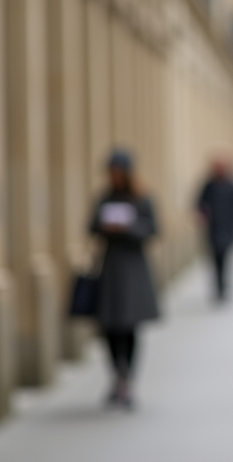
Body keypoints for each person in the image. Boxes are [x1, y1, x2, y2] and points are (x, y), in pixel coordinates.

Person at [89, 149, 160, 408]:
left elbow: (153, 229)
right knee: (109, 327)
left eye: (119, 173)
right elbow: (90, 227)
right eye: (112, 173)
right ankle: (116, 378)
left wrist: (128, 228)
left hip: (133, 271)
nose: (115, 177)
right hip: (110, 270)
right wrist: (104, 225)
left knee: (129, 327)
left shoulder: (142, 198)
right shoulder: (105, 197)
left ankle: (127, 380)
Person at [196, 157, 233, 301]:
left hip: (228, 228)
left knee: (226, 257)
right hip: (213, 229)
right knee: (215, 259)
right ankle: (219, 287)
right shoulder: (208, 186)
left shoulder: (232, 186)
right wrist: (204, 215)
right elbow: (200, 203)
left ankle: (224, 285)